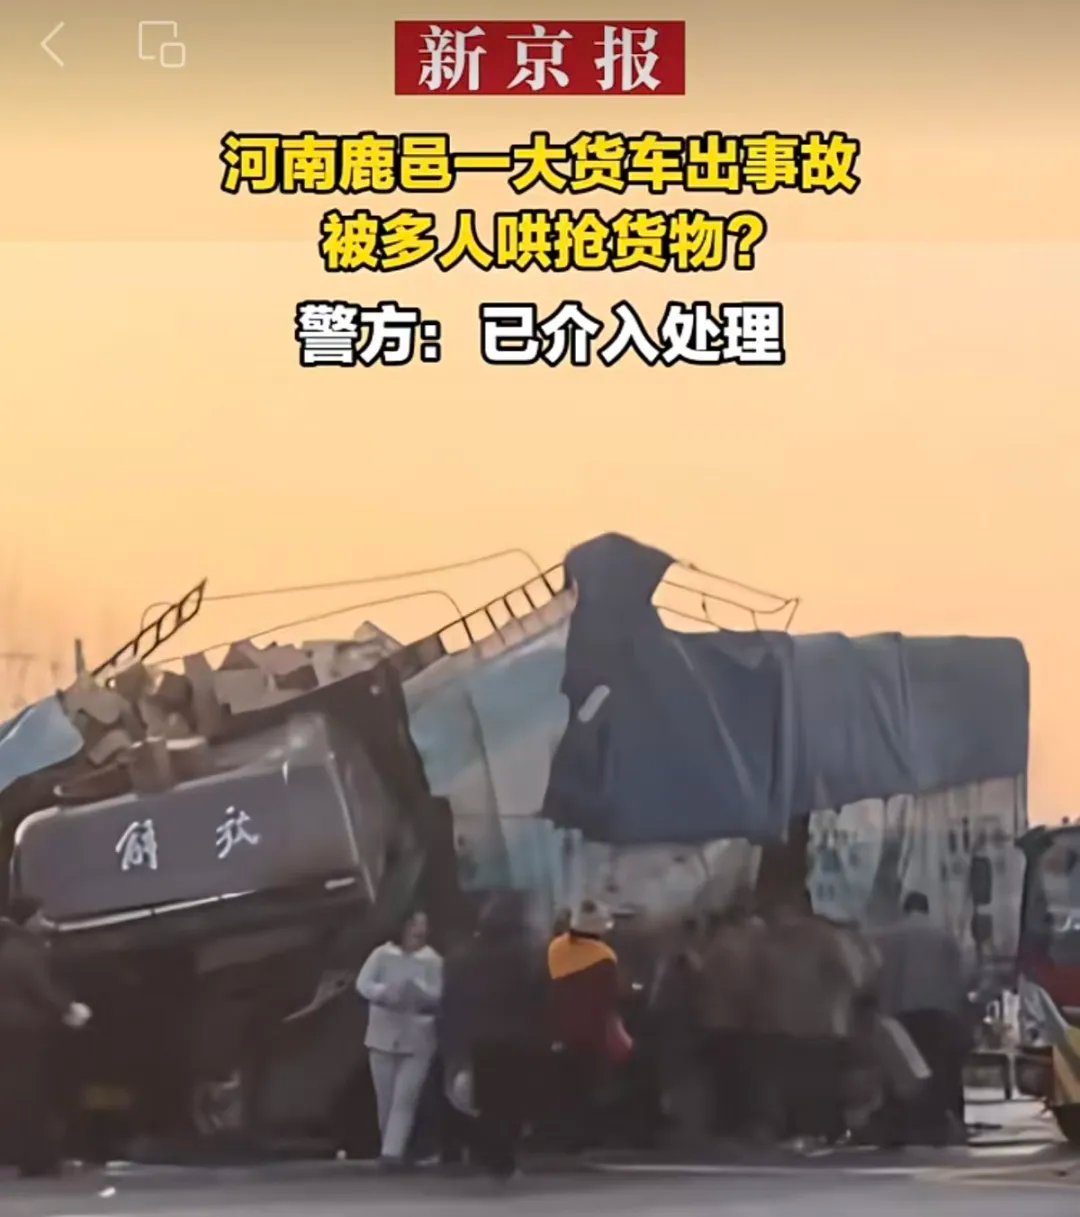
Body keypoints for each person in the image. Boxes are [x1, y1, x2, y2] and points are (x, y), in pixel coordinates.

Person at [440, 891, 546, 1179]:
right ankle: (503, 1160)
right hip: (516, 1038)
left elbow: (454, 997)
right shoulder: (527, 953)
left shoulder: (467, 954)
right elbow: (539, 995)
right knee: (511, 1102)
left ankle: (489, 1156)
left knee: (487, 1101)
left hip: (480, 1039)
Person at [0, 896, 91, 1177]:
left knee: (21, 1092)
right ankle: (39, 1159)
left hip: (12, 1029)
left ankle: (28, 1157)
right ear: (29, 919)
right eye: (40, 916)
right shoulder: (25, 950)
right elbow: (40, 987)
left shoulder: (10, 947)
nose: (45, 921)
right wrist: (69, 1008)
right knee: (34, 1093)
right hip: (26, 1030)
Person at [872, 891, 970, 1145]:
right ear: (926, 909)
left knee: (904, 1073)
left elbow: (880, 977)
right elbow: (960, 978)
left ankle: (904, 1126)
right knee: (942, 1071)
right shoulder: (944, 936)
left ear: (904, 909)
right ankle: (943, 1122)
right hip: (940, 1015)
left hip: (903, 1016)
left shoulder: (886, 937)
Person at [356, 910, 443, 1168]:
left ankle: (392, 1153)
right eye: (415, 924)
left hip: (417, 1038)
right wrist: (385, 992)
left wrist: (417, 993)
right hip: (382, 1034)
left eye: (424, 924)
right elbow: (363, 984)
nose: (420, 930)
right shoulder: (382, 954)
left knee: (405, 1098)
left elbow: (439, 992)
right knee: (385, 1099)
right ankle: (391, 1148)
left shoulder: (433, 960)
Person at [547, 899, 622, 1152]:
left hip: (562, 1031)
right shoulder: (602, 958)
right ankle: (582, 1135)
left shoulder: (553, 953)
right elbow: (611, 994)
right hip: (590, 1031)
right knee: (585, 1085)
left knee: (566, 1086)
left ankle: (567, 1136)